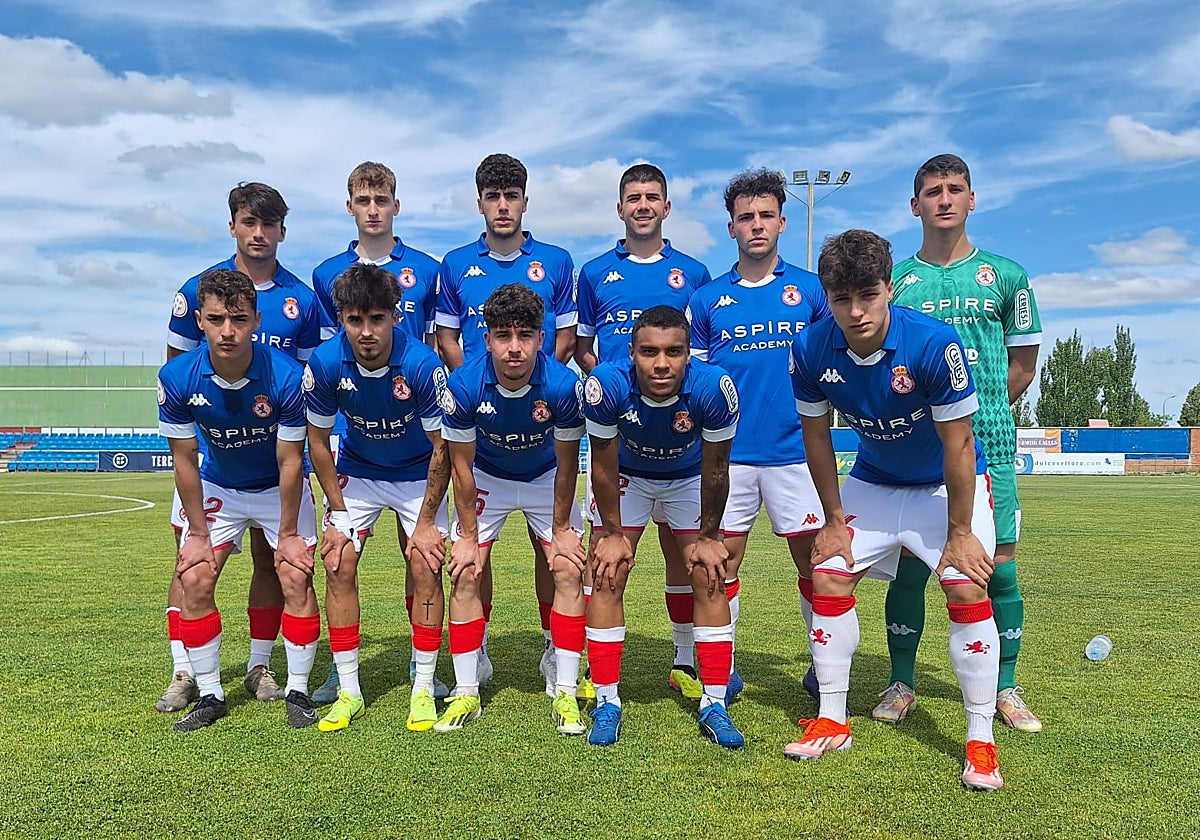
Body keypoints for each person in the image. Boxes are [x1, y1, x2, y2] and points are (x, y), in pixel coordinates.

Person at [787, 230, 1004, 791]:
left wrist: (961, 531)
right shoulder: (810, 347)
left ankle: (980, 739)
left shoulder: (933, 343)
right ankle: (832, 719)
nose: (856, 312)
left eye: (868, 295)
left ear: (889, 288)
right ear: (827, 298)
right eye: (842, 299)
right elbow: (816, 438)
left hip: (943, 488)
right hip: (875, 482)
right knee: (827, 573)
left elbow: (959, 443)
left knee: (965, 586)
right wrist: (834, 522)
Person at [879, 154, 1043, 732]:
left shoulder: (1008, 275)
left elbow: (1022, 365)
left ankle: (1006, 686)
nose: (944, 199)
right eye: (932, 191)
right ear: (915, 205)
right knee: (910, 567)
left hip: (990, 446)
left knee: (998, 568)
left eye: (955, 189)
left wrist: (980, 412)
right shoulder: (896, 280)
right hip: (917, 450)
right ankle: (902, 681)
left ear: (972, 198)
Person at [157, 182, 322, 714]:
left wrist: (292, 528)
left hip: (275, 470)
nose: (257, 233)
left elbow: (308, 392)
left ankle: (261, 665)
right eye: (248, 222)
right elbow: (183, 386)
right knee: (191, 565)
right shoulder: (195, 293)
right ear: (232, 225)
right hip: (216, 471)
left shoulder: (301, 301)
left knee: (280, 566)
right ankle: (187, 672)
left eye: (267, 223)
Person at [435, 153, 578, 692]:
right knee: (470, 559)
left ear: (524, 201)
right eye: (492, 196)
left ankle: (554, 647)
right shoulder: (455, 264)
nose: (502, 205)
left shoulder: (556, 262)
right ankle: (476, 654)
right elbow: (447, 337)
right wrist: (481, 387)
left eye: (511, 195)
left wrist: (531, 388)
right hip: (484, 435)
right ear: (480, 203)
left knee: (558, 556)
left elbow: (565, 337)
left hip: (540, 439)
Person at [687, 168, 830, 706]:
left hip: (797, 454)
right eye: (745, 217)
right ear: (731, 228)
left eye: (766, 215)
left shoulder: (811, 291)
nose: (756, 225)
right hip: (730, 458)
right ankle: (720, 672)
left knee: (816, 566)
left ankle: (824, 667)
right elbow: (697, 383)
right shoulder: (706, 300)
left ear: (782, 222)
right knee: (720, 564)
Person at [574, 162, 712, 701]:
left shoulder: (694, 273)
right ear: (620, 208)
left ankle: (685, 659)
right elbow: (583, 347)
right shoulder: (594, 273)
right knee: (606, 557)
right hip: (621, 438)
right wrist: (614, 393)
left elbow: (701, 351)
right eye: (634, 197)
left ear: (666, 206)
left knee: (683, 556)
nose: (643, 205)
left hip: (679, 442)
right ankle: (597, 667)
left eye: (652, 196)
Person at [309, 161, 445, 704]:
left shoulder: (422, 364)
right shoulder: (324, 363)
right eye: (354, 321)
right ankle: (344, 680)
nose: (366, 332)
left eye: (377, 320)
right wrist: (339, 511)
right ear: (341, 318)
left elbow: (442, 447)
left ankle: (423, 675)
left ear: (395, 317)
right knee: (337, 558)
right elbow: (317, 442)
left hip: (415, 471)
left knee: (425, 560)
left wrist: (429, 521)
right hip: (359, 470)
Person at [583, 305, 743, 749]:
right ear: (631, 352)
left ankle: (715, 702)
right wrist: (612, 533)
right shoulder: (607, 384)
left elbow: (717, 469)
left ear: (689, 353)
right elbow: (602, 464)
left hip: (687, 476)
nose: (661, 364)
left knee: (709, 573)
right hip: (628, 476)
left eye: (673, 352)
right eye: (649, 351)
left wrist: (708, 538)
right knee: (607, 572)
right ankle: (606, 700)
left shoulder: (713, 387)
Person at [439, 284, 588, 734]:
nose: (515, 348)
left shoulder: (564, 385)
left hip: (545, 476)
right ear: (486, 339)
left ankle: (564, 686)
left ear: (542, 338)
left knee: (567, 566)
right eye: (503, 336)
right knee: (465, 569)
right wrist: (467, 536)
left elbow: (568, 464)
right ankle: (467, 688)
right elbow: (460, 467)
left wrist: (561, 529)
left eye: (525, 335)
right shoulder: (464, 384)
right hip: (488, 476)